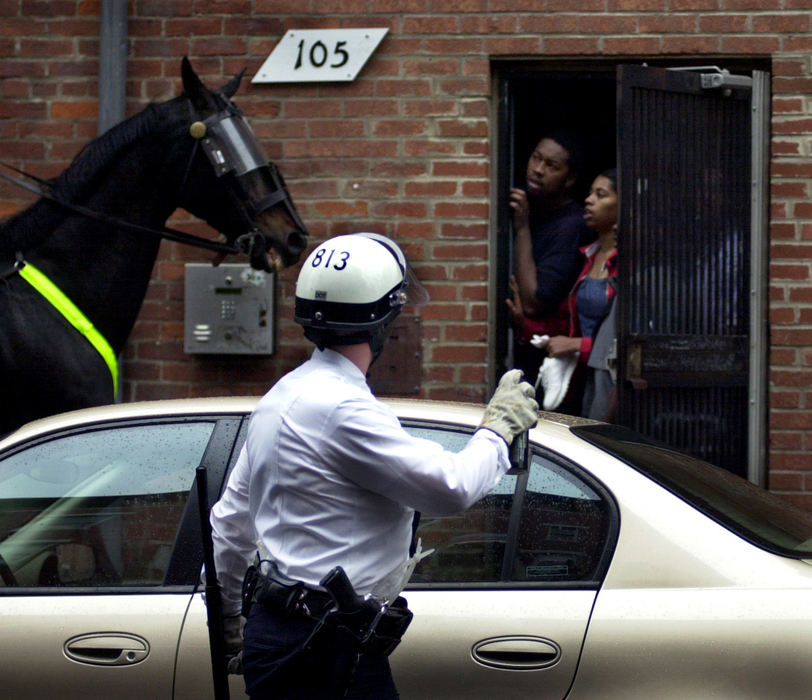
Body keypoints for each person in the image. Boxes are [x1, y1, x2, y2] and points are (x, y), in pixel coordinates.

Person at [208, 232, 539, 699]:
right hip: (325, 647)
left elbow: (229, 525)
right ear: (384, 318)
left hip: (284, 632)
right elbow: (452, 487)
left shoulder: (280, 398)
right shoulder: (343, 410)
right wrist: (498, 430)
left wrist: (226, 624)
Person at [507, 129, 593, 391]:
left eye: (552, 166)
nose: (538, 170)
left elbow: (534, 303)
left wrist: (521, 229)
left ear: (570, 178)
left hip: (552, 367)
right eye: (536, 158)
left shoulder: (570, 226)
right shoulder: (537, 210)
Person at [541, 169, 618, 420]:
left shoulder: (627, 264)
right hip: (586, 377)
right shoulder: (589, 255)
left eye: (601, 195)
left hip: (612, 379)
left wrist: (576, 345)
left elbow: (622, 339)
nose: (589, 200)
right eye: (590, 193)